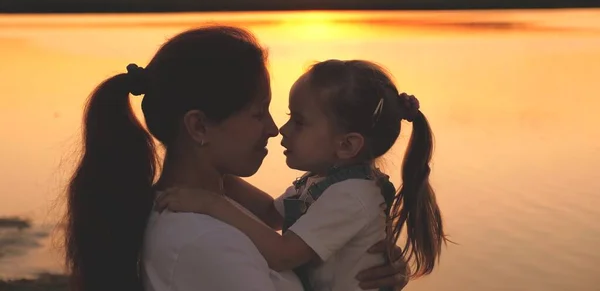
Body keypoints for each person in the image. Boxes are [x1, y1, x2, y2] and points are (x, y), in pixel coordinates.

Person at [63, 26, 410, 291]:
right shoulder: (204, 241)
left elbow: (271, 216)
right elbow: (275, 235)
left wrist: (360, 260)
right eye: (259, 114)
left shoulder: (202, 209)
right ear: (199, 125)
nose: (275, 130)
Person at [156, 59, 448, 291]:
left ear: (347, 144)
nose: (281, 130)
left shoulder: (353, 195)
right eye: (284, 116)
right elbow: (271, 214)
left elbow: (284, 253)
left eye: (299, 122)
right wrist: (218, 173)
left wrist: (211, 202)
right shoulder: (322, 183)